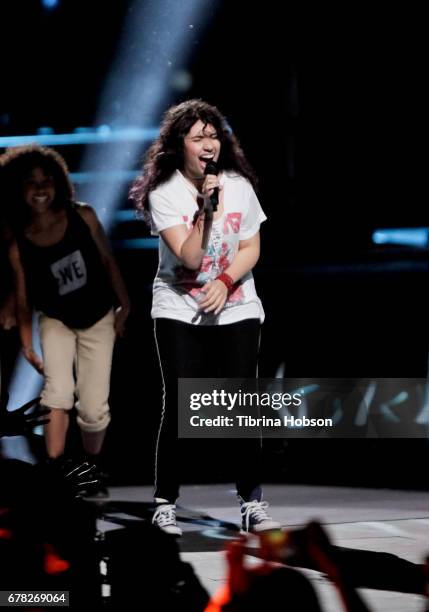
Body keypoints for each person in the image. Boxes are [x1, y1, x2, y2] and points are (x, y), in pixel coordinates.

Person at [130, 99, 280, 535]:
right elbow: (192, 256)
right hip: (180, 304)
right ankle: (165, 503)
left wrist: (228, 281)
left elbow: (252, 246)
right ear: (180, 146)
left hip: (237, 304)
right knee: (180, 403)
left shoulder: (239, 185)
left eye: (212, 135)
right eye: (198, 137)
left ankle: (252, 502)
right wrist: (207, 208)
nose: (208, 143)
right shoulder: (167, 193)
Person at [0, 145, 130, 474]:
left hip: (98, 316)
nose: (41, 188)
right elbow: (23, 297)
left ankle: (90, 467)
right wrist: (28, 346)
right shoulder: (20, 242)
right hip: (55, 320)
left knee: (94, 408)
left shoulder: (81, 215)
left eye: (47, 180)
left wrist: (124, 305)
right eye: (31, 181)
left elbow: (107, 261)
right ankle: (56, 472)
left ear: (59, 182)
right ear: (18, 189)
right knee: (56, 394)